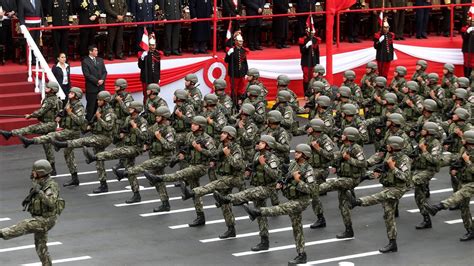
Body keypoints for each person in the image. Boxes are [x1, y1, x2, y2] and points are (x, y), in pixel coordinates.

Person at [242, 144, 315, 264]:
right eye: (295, 151)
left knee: (281, 208)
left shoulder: (308, 170)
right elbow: (286, 177)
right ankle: (302, 254)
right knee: (297, 228)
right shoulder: (293, 164)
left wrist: (298, 182)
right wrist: (282, 183)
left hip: (301, 201)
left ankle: (258, 212)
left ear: (305, 155)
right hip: (292, 198)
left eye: (298, 152)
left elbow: (310, 190)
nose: (295, 153)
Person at [145, 116, 217, 227]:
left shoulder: (207, 139)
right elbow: (186, 149)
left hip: (202, 166)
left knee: (181, 174)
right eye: (192, 123)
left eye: (195, 124)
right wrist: (182, 155)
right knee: (195, 191)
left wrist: (200, 149)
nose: (192, 125)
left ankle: (159, 178)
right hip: (192, 164)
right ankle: (200, 217)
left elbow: (213, 154)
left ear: (201, 127)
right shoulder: (189, 135)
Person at [213, 135, 281, 251]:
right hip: (258, 185)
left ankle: (227, 199)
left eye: (262, 142)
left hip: (267, 188)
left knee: (247, 193)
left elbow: (275, 175)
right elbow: (253, 167)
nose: (259, 143)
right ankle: (264, 241)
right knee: (260, 214)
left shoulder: (272, 158)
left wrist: (264, 164)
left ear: (268, 145)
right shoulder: (257, 155)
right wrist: (249, 172)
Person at [181, 126, 245, 238]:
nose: (221, 135)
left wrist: (228, 155)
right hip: (225, 176)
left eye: (224, 134)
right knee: (225, 205)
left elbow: (238, 166)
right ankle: (231, 229)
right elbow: (214, 154)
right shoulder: (221, 145)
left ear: (230, 136)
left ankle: (192, 193)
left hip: (235, 178)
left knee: (212, 185)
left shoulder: (236, 148)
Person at [350, 136, 410, 253]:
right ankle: (393, 243)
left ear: (394, 147)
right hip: (388, 185)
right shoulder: (389, 155)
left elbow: (405, 177)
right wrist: (372, 175)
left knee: (379, 196)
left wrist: (393, 168)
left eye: (389, 145)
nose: (387, 146)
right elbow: (384, 169)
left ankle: (358, 202)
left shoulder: (404, 159)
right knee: (388, 215)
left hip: (398, 188)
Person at [0, 159, 65, 266]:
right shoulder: (40, 182)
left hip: (46, 220)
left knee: (25, 225)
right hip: (40, 218)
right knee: (41, 248)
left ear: (41, 173)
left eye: (34, 171)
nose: (32, 173)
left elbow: (51, 202)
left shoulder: (51, 186)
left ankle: (2, 233)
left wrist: (39, 191)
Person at [20, 87, 87, 187]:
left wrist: (70, 113)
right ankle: (75, 178)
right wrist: (60, 116)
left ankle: (30, 141)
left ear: (76, 96)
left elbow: (80, 121)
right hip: (66, 130)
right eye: (70, 92)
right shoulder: (69, 103)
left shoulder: (79, 106)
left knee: (51, 135)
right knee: (68, 154)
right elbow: (63, 113)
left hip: (73, 131)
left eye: (72, 93)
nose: (69, 94)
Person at [52, 91, 117, 194]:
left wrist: (99, 118)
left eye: (100, 100)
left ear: (105, 101)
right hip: (98, 135)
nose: (98, 101)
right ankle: (103, 185)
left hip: (105, 138)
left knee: (84, 141)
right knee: (99, 161)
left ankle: (63, 144)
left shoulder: (109, 112)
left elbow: (109, 127)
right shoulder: (101, 108)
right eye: (98, 99)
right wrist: (91, 125)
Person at [84, 101, 148, 204]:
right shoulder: (128, 118)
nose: (129, 109)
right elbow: (124, 130)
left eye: (132, 108)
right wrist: (121, 134)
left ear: (137, 110)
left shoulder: (142, 121)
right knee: (130, 170)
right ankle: (136, 194)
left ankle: (95, 157)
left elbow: (144, 137)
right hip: (128, 145)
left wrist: (135, 128)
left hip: (136, 148)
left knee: (116, 152)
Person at [114, 106, 176, 212]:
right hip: (155, 155)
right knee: (158, 181)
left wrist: (160, 138)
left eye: (158, 116)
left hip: (164, 157)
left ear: (164, 117)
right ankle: (165, 204)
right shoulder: (155, 126)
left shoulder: (169, 130)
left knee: (144, 165)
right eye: (156, 115)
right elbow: (146, 136)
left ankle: (124, 173)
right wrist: (147, 144)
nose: (156, 117)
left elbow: (170, 147)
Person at [0, 82, 62, 176]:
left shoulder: (50, 100)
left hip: (48, 124)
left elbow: (41, 111)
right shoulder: (52, 99)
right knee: (47, 146)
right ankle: (53, 169)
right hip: (49, 123)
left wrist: (30, 115)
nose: (46, 88)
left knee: (31, 129)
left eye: (48, 88)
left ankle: (10, 134)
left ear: (53, 90)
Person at [424, 130, 474, 241]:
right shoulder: (463, 149)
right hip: (464, 180)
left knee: (459, 194)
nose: (462, 140)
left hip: (472, 183)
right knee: (463, 207)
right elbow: (460, 161)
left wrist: (468, 162)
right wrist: (456, 169)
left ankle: (438, 207)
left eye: (464, 139)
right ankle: (470, 230)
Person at [319, 127, 367, 239]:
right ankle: (349, 230)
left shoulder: (356, 148)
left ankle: (313, 189)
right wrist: (336, 166)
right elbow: (339, 158)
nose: (342, 135)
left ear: (349, 136)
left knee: (332, 184)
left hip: (351, 179)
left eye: (344, 134)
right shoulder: (344, 146)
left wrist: (349, 159)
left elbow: (363, 163)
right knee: (343, 206)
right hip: (344, 177)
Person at [82, 45, 107, 121]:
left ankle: (98, 122)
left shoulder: (100, 60)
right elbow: (87, 75)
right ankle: (89, 123)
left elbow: (104, 72)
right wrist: (97, 81)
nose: (97, 52)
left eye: (97, 50)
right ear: (90, 51)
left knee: (101, 107)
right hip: (92, 89)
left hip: (101, 88)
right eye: (95, 50)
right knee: (91, 107)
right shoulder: (85, 61)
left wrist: (102, 79)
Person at [299, 16, 320, 97]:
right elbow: (302, 51)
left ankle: (313, 93)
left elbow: (317, 52)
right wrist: (306, 46)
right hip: (305, 62)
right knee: (306, 79)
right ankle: (306, 94)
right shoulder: (303, 40)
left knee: (314, 78)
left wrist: (318, 64)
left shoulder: (315, 40)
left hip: (313, 61)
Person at [225, 32, 249, 99]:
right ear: (236, 42)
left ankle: (240, 99)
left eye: (242, 41)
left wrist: (246, 72)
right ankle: (234, 100)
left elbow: (245, 62)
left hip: (242, 73)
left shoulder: (243, 51)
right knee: (234, 88)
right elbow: (226, 60)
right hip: (234, 73)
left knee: (241, 87)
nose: (241, 43)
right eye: (240, 41)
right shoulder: (232, 50)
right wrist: (228, 54)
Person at [138, 37, 161, 104]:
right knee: (146, 95)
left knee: (155, 94)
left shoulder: (157, 54)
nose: (153, 47)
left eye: (154, 45)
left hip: (155, 78)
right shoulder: (144, 54)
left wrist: (159, 77)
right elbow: (140, 66)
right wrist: (142, 58)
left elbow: (158, 67)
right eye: (151, 45)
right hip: (146, 78)